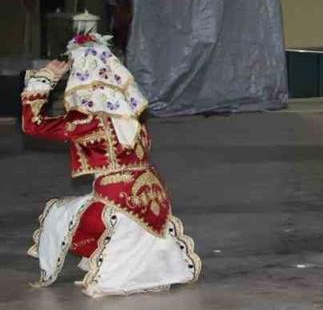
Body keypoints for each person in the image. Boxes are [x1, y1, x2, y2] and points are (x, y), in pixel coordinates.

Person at [21, 32, 201, 296]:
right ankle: (128, 262)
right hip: (154, 201)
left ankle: (109, 259)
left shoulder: (84, 121)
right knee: (92, 208)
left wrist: (43, 80)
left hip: (117, 203)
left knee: (59, 214)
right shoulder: (133, 118)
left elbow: (32, 125)